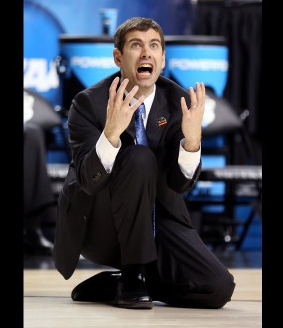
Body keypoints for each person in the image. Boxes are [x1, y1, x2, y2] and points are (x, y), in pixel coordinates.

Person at [53, 17, 235, 309]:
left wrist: (191, 143)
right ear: (118, 57)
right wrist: (111, 134)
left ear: (162, 59)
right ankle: (133, 273)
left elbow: (179, 184)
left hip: (156, 220)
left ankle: (122, 282)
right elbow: (89, 181)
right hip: (101, 224)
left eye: (153, 46)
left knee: (217, 289)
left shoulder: (178, 101)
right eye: (136, 46)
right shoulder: (88, 103)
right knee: (139, 157)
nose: (146, 53)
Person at [24, 89, 57, 255]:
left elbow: (52, 119)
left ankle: (32, 227)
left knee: (33, 132)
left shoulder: (28, 94)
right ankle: (32, 228)